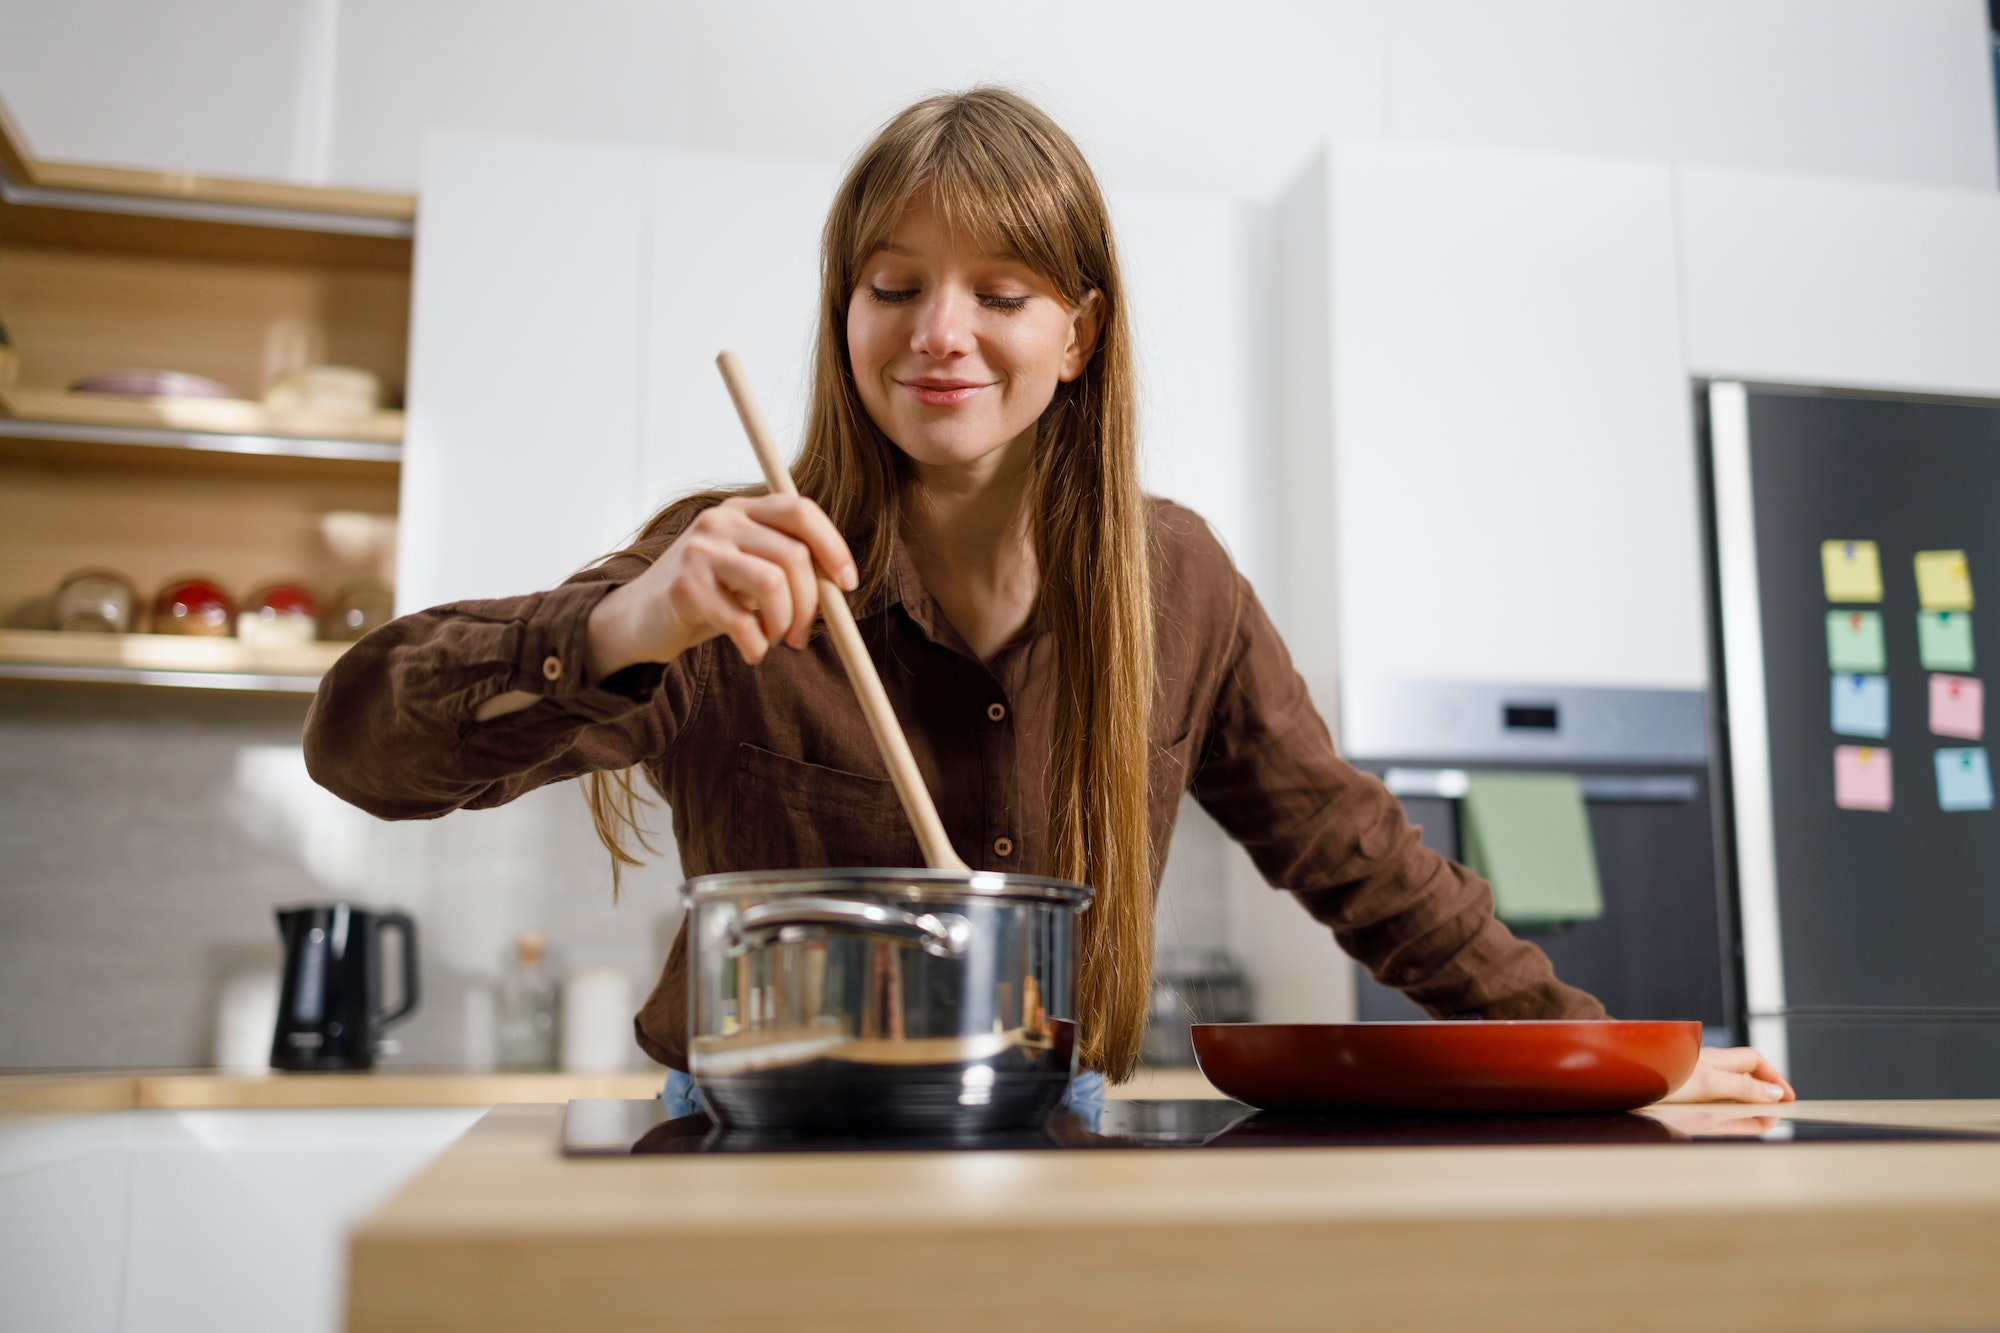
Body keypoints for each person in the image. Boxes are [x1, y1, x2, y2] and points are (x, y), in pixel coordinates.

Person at [304, 86, 1791, 1111]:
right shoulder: (728, 559)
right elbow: (359, 746)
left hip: (1057, 1134)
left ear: (1076, 337)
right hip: (743, 1153)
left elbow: (1363, 859)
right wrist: (624, 627)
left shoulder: (1179, 580)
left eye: (1001, 292)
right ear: (845, 316)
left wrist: (1608, 1057)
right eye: (893, 285)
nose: (939, 333)